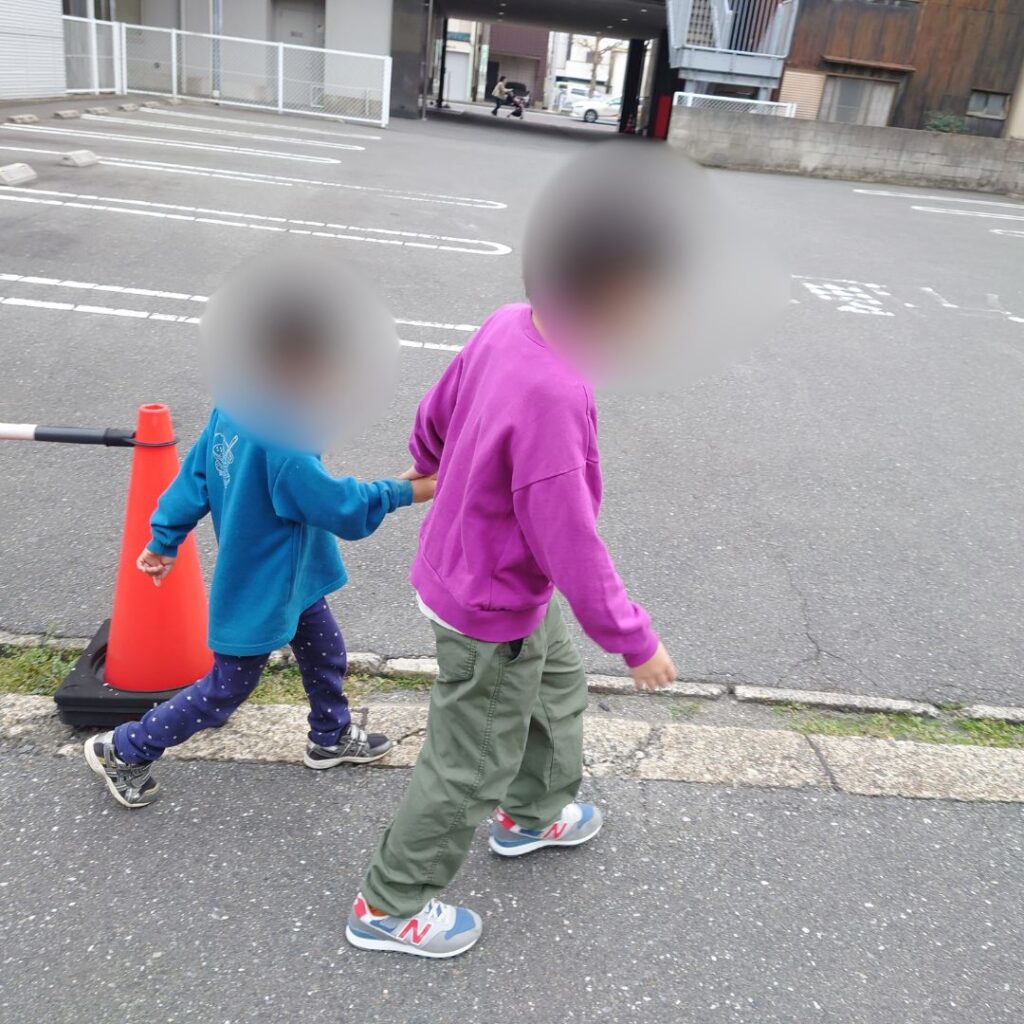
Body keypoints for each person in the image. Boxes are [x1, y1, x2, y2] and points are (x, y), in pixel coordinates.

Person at [345, 148, 681, 959]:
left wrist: (428, 460)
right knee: (470, 759)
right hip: (490, 607)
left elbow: (439, 406)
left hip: (484, 572)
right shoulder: (557, 394)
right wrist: (634, 639)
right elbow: (572, 543)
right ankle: (390, 903)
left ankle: (535, 813)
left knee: (556, 682)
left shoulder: (508, 323)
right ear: (610, 299)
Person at [84, 285, 434, 809]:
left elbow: (196, 475)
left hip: (294, 577)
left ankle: (331, 735)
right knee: (225, 690)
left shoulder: (236, 404)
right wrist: (410, 490)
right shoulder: (284, 442)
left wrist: (164, 537)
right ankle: (125, 749)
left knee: (326, 653)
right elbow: (341, 508)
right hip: (261, 587)